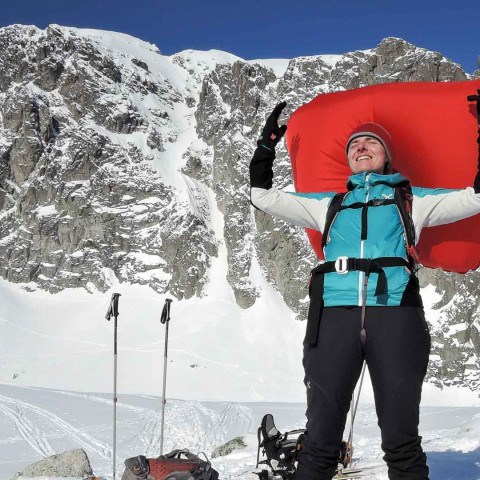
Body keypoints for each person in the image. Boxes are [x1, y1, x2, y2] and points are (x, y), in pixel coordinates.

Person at [249, 97, 480, 480]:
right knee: (320, 440)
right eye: (354, 144)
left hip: (395, 315)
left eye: (371, 142)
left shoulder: (411, 200)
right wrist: (266, 145)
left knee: (401, 440)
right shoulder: (330, 204)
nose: (361, 146)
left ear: (386, 156)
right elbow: (261, 197)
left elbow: (476, 197)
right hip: (334, 317)